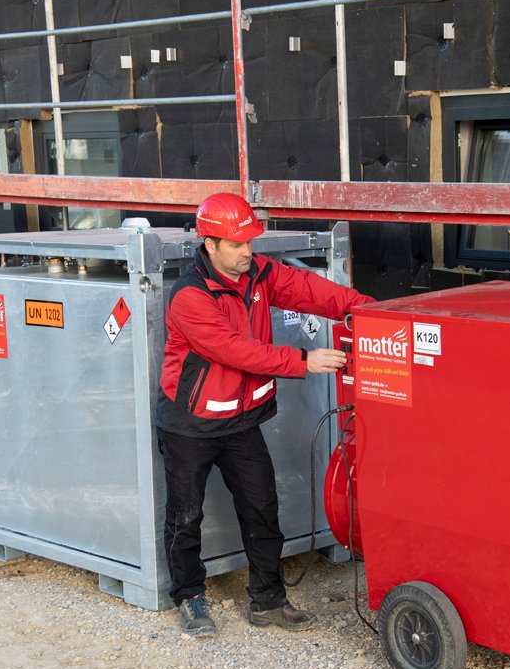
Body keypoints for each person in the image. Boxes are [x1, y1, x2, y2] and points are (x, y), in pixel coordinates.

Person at [156, 192, 373, 637]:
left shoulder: (259, 274)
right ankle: (190, 597)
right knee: (186, 516)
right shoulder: (189, 297)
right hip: (190, 425)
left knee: (262, 508)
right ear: (210, 244)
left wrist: (368, 308)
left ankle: (269, 601)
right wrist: (303, 360)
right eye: (236, 246)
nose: (247, 253)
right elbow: (234, 350)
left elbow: (309, 290)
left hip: (241, 420)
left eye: (250, 243)